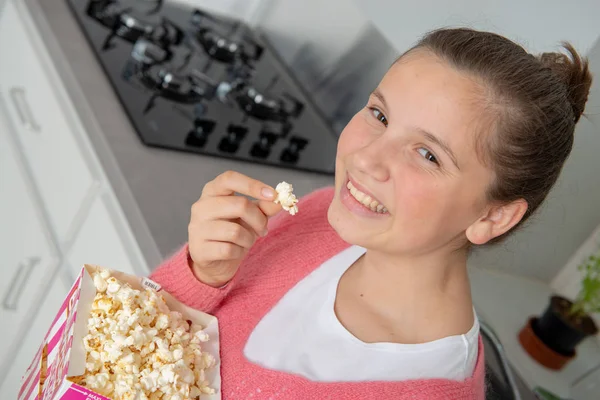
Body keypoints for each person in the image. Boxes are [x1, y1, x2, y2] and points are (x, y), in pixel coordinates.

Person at [151, 28, 593, 399]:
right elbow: (129, 350)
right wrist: (203, 274)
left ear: (493, 217)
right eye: (380, 115)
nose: (366, 159)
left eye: (427, 154)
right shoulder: (326, 211)